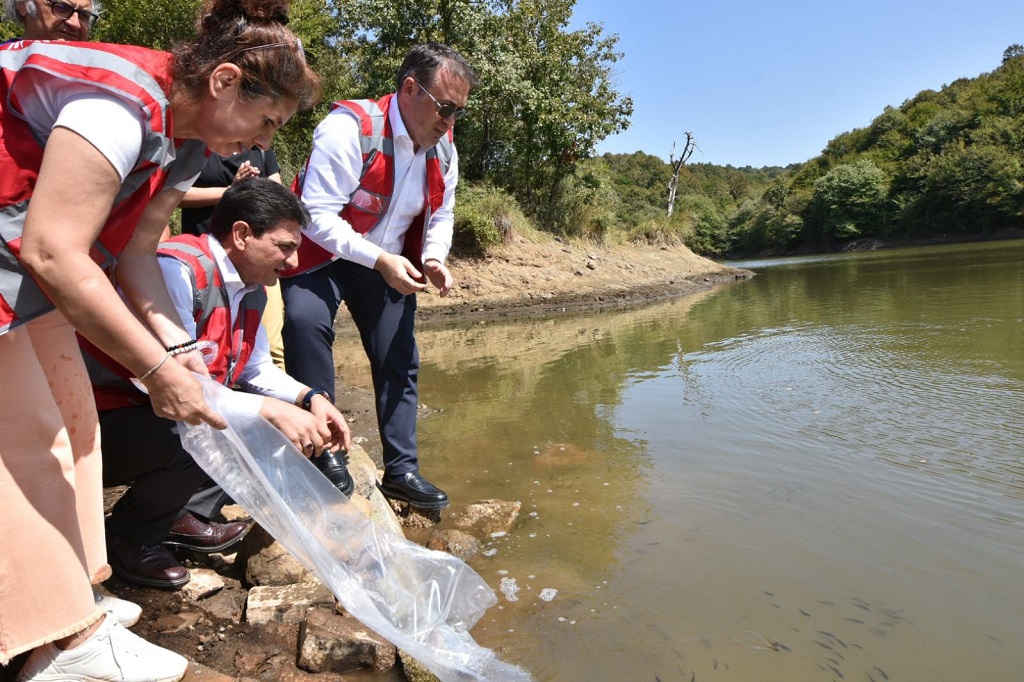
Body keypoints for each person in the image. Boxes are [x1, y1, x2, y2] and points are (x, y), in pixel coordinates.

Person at [0, 0, 320, 678]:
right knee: (25, 437)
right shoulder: (122, 105)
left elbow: (138, 252)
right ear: (225, 82)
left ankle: (79, 592)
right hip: (20, 246)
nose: (262, 143)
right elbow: (55, 251)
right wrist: (157, 370)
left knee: (73, 419)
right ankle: (47, 642)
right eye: (267, 122)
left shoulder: (189, 142)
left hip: (24, 251)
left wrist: (179, 358)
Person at [84, 178, 351, 589]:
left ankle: (179, 515)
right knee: (205, 426)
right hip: (96, 425)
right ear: (242, 235)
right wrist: (272, 411)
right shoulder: (176, 272)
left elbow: (255, 368)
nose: (293, 263)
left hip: (147, 415)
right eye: (285, 247)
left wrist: (308, 397)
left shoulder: (251, 287)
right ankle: (130, 537)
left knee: (250, 418)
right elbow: (179, 386)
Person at [280, 43, 478, 510]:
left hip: (384, 260)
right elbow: (317, 217)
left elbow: (442, 214)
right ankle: (324, 450)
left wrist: (433, 257)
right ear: (410, 88)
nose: (449, 123)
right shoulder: (350, 128)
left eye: (458, 113)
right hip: (320, 254)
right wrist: (380, 260)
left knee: (399, 356)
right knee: (305, 323)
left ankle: (402, 470)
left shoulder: (443, 149)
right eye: (445, 108)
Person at [179, 146, 289, 368]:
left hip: (258, 258)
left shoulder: (261, 147)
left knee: (273, 346)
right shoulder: (198, 146)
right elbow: (177, 194)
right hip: (205, 260)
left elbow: (278, 193)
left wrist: (253, 190)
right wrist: (231, 191)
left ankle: (277, 396)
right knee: (204, 342)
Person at [2, 0, 99, 42]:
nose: (75, 24)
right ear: (23, 5)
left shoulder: (100, 75)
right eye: (61, 8)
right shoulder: (4, 64)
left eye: (84, 16)